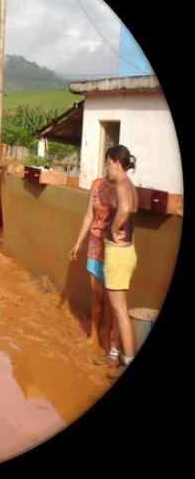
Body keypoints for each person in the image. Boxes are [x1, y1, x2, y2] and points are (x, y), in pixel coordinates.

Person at [70, 173, 121, 361]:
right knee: (96, 293)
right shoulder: (96, 185)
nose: (108, 166)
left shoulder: (123, 188)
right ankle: (93, 336)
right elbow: (88, 215)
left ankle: (105, 338)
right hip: (94, 243)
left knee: (109, 296)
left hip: (112, 246)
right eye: (107, 162)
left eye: (111, 162)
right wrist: (78, 243)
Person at [102, 145, 139, 379]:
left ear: (116, 162)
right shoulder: (130, 186)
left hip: (118, 254)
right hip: (127, 252)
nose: (106, 167)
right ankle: (114, 353)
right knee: (118, 308)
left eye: (107, 162)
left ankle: (128, 359)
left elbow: (124, 210)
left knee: (120, 310)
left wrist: (113, 230)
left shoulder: (123, 186)